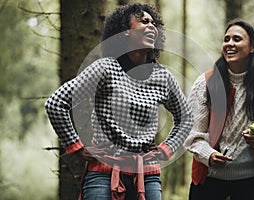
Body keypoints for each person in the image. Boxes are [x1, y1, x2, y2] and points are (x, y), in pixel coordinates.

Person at [45, 3, 193, 200]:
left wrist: (166, 149)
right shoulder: (104, 69)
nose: (151, 26)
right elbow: (56, 103)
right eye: (143, 22)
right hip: (103, 173)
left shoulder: (163, 77)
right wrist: (76, 146)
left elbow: (186, 117)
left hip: (146, 175)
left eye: (153, 23)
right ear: (124, 32)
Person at [184, 19, 254, 200]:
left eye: (237, 39)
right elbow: (191, 134)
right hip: (208, 180)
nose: (230, 44)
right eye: (226, 39)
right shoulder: (205, 83)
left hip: (252, 182)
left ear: (252, 47)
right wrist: (208, 155)